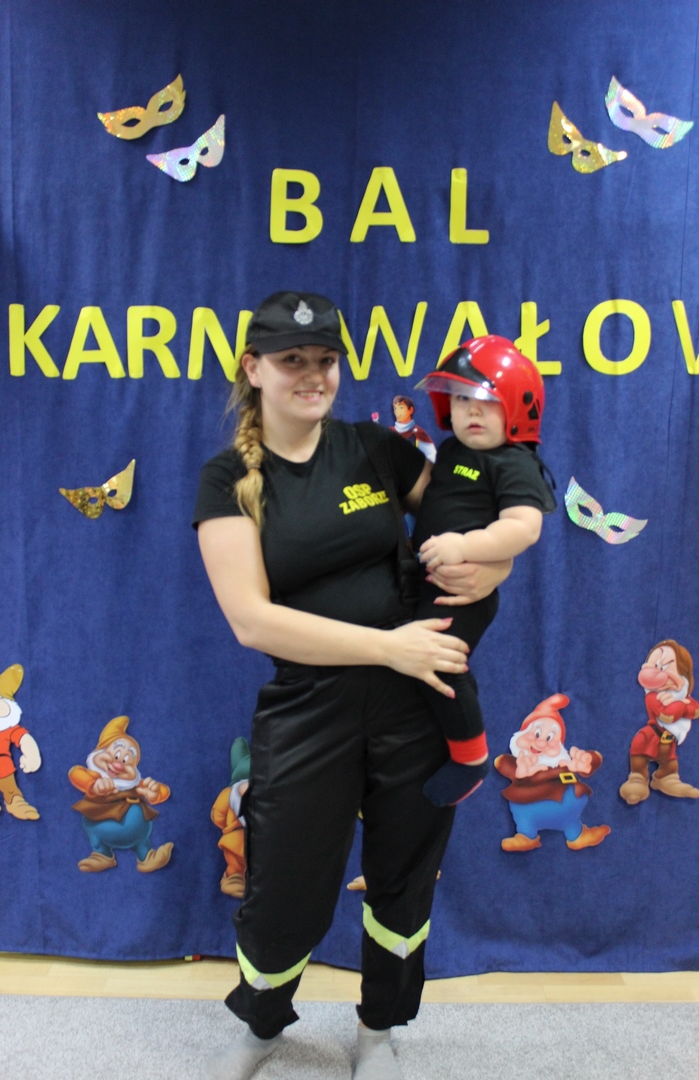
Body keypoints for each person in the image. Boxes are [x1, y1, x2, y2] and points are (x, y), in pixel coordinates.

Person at [193, 292, 510, 1080]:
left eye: (326, 360)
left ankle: (378, 1029)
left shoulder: (374, 448)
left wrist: (494, 562)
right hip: (312, 707)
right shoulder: (231, 478)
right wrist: (388, 648)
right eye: (292, 360)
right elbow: (252, 621)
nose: (313, 374)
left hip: (415, 705)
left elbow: (471, 514)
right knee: (284, 886)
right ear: (253, 368)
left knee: (404, 878)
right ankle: (262, 1023)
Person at [412, 335, 556, 808]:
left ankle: (470, 758)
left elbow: (524, 527)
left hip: (463, 594)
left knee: (439, 663)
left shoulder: (513, 463)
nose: (471, 411)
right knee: (428, 664)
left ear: (518, 408)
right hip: (429, 584)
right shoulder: (453, 451)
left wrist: (465, 546)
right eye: (459, 399)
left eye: (486, 401)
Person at [390, 395, 436, 462]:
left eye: (401, 407)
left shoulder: (418, 434)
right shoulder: (389, 432)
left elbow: (432, 456)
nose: (397, 411)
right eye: (395, 408)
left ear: (410, 410)